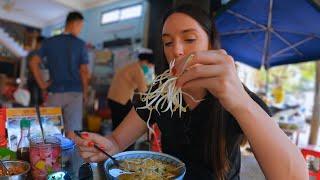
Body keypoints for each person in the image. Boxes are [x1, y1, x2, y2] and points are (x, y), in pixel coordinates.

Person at [72, 5, 308, 180]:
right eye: (167, 42)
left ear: (210, 45)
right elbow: (116, 141)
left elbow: (294, 176)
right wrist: (103, 147)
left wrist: (239, 102)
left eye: (190, 39)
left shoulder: (238, 97)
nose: (177, 50)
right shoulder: (160, 93)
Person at [29, 12, 89, 137]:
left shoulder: (50, 42)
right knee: (73, 132)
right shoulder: (80, 44)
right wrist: (86, 92)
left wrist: (42, 84)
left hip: (55, 92)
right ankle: (71, 156)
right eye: (81, 26)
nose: (80, 29)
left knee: (49, 130)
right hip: (75, 93)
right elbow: (84, 71)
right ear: (75, 23)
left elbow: (33, 62)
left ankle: (48, 156)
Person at [107, 50, 154, 150]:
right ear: (145, 62)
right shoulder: (137, 69)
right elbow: (144, 90)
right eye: (150, 65)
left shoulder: (132, 66)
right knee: (123, 128)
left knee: (117, 125)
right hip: (121, 100)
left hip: (114, 98)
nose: (150, 68)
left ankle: (114, 148)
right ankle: (124, 151)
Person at [27, 36, 46, 106]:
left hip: (39, 79)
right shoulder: (33, 53)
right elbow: (32, 67)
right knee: (34, 99)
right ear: (39, 43)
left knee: (39, 99)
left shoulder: (41, 54)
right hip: (33, 79)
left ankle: (37, 114)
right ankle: (32, 115)